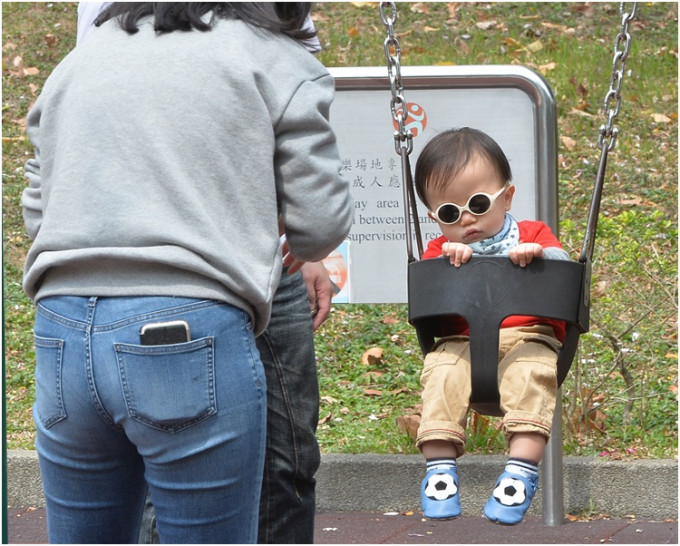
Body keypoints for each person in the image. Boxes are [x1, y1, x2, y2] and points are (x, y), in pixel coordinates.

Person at [21, 3, 353, 543]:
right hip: (187, 328)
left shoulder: (83, 57)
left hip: (62, 329)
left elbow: (38, 202)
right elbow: (318, 223)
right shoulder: (275, 58)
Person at [413, 127, 570, 525]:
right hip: (460, 340)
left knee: (531, 376)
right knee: (441, 375)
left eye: (478, 203)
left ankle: (519, 474)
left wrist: (541, 256)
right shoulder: (439, 249)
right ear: (435, 218)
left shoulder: (532, 234)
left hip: (529, 336)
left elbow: (564, 264)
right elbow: (428, 289)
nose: (466, 219)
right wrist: (445, 265)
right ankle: (440, 473)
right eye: (450, 213)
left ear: (507, 197)